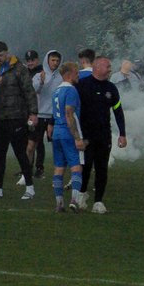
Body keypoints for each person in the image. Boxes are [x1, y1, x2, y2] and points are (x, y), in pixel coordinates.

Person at [0, 41, 38, 200]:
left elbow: (29, 92)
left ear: (7, 52)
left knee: (21, 153)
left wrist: (33, 113)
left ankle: (30, 188)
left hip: (17, 118)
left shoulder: (20, 69)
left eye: (0, 55)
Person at [75, 56, 127, 214]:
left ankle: (98, 201)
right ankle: (82, 193)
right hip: (86, 135)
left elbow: (118, 111)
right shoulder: (82, 85)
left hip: (104, 135)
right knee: (86, 166)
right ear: (97, 67)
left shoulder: (111, 88)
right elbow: (72, 109)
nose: (110, 69)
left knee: (102, 168)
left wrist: (122, 134)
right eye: (107, 66)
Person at [50, 63, 87, 213]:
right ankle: (74, 200)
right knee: (76, 166)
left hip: (57, 133)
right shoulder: (71, 91)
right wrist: (77, 138)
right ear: (69, 74)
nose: (78, 75)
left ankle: (59, 203)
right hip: (67, 132)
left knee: (59, 168)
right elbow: (69, 114)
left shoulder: (56, 91)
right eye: (76, 73)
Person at [28, 50, 62, 180]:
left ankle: (53, 173)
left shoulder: (60, 77)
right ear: (47, 60)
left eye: (57, 61)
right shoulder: (38, 75)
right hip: (39, 114)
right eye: (53, 60)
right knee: (32, 144)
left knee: (56, 146)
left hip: (53, 116)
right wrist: (41, 82)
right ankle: (27, 172)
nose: (55, 63)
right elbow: (33, 90)